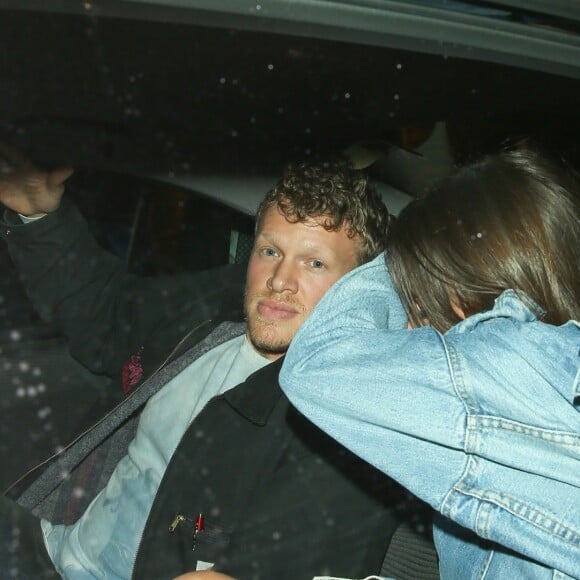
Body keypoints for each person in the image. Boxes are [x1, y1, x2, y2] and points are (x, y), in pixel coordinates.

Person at [0, 155, 434, 579]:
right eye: (270, 250)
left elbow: (303, 547)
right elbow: (107, 318)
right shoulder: (212, 315)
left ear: (360, 288)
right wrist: (39, 215)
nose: (280, 280)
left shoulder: (346, 418)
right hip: (53, 549)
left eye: (314, 262)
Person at [280, 148, 580, 579]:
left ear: (459, 295)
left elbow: (317, 360)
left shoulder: (507, 367)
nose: (407, 332)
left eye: (416, 307)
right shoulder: (544, 378)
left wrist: (402, 240)